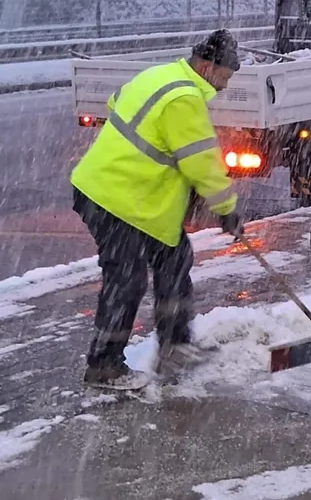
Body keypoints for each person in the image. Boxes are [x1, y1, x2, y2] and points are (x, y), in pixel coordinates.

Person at [71, 29, 245, 391]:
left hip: (135, 201)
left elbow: (115, 103)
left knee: (174, 259)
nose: (225, 86)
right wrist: (226, 209)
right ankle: (104, 366)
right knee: (127, 278)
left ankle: (175, 346)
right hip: (114, 200)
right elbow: (202, 163)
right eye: (225, 77)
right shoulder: (183, 97)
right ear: (208, 66)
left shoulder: (160, 75)